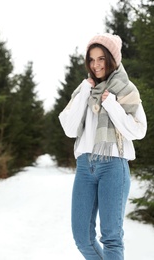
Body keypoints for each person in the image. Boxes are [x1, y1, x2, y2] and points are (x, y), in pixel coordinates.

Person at [58, 33, 147, 260]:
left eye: (101, 59)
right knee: (82, 238)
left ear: (112, 59)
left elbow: (138, 130)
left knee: (111, 238)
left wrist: (112, 104)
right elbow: (69, 128)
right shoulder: (83, 91)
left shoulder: (126, 89)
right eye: (91, 59)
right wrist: (85, 92)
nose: (95, 65)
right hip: (85, 167)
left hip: (114, 166)